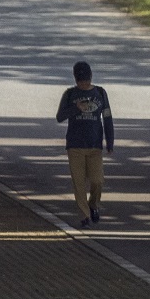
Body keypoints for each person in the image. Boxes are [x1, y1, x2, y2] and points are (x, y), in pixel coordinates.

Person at [54, 61, 114, 228]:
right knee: (78, 183)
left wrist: (110, 141)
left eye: (86, 80)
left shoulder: (100, 93)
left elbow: (108, 118)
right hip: (75, 146)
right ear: (75, 79)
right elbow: (59, 117)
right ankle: (84, 215)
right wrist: (75, 108)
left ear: (91, 77)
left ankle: (93, 205)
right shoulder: (70, 94)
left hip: (95, 146)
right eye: (80, 81)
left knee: (97, 181)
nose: (83, 84)